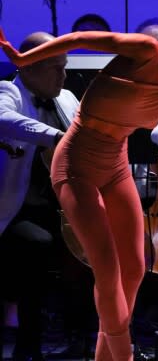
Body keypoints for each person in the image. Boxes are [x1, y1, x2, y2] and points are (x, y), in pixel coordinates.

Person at [0, 21, 158, 361]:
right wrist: (21, 57)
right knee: (107, 271)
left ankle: (105, 356)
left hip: (116, 164)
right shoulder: (148, 52)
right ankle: (124, 356)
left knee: (135, 268)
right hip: (76, 162)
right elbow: (80, 38)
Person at [0, 32, 79, 361]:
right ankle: (29, 342)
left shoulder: (69, 99)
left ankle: (83, 335)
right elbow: (3, 119)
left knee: (98, 248)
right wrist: (58, 137)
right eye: (54, 68)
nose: (63, 76)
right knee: (37, 245)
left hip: (64, 206)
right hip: (18, 209)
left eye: (64, 67)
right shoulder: (9, 92)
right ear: (29, 67)